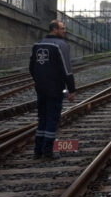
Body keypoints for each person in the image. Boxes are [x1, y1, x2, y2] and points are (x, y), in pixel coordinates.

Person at [29, 20, 76, 159]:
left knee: (42, 118)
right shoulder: (61, 45)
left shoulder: (37, 45)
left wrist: (38, 80)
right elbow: (67, 70)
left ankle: (38, 150)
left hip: (41, 88)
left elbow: (31, 68)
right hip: (55, 88)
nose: (64, 31)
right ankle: (48, 151)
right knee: (52, 118)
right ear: (55, 29)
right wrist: (71, 90)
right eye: (62, 28)